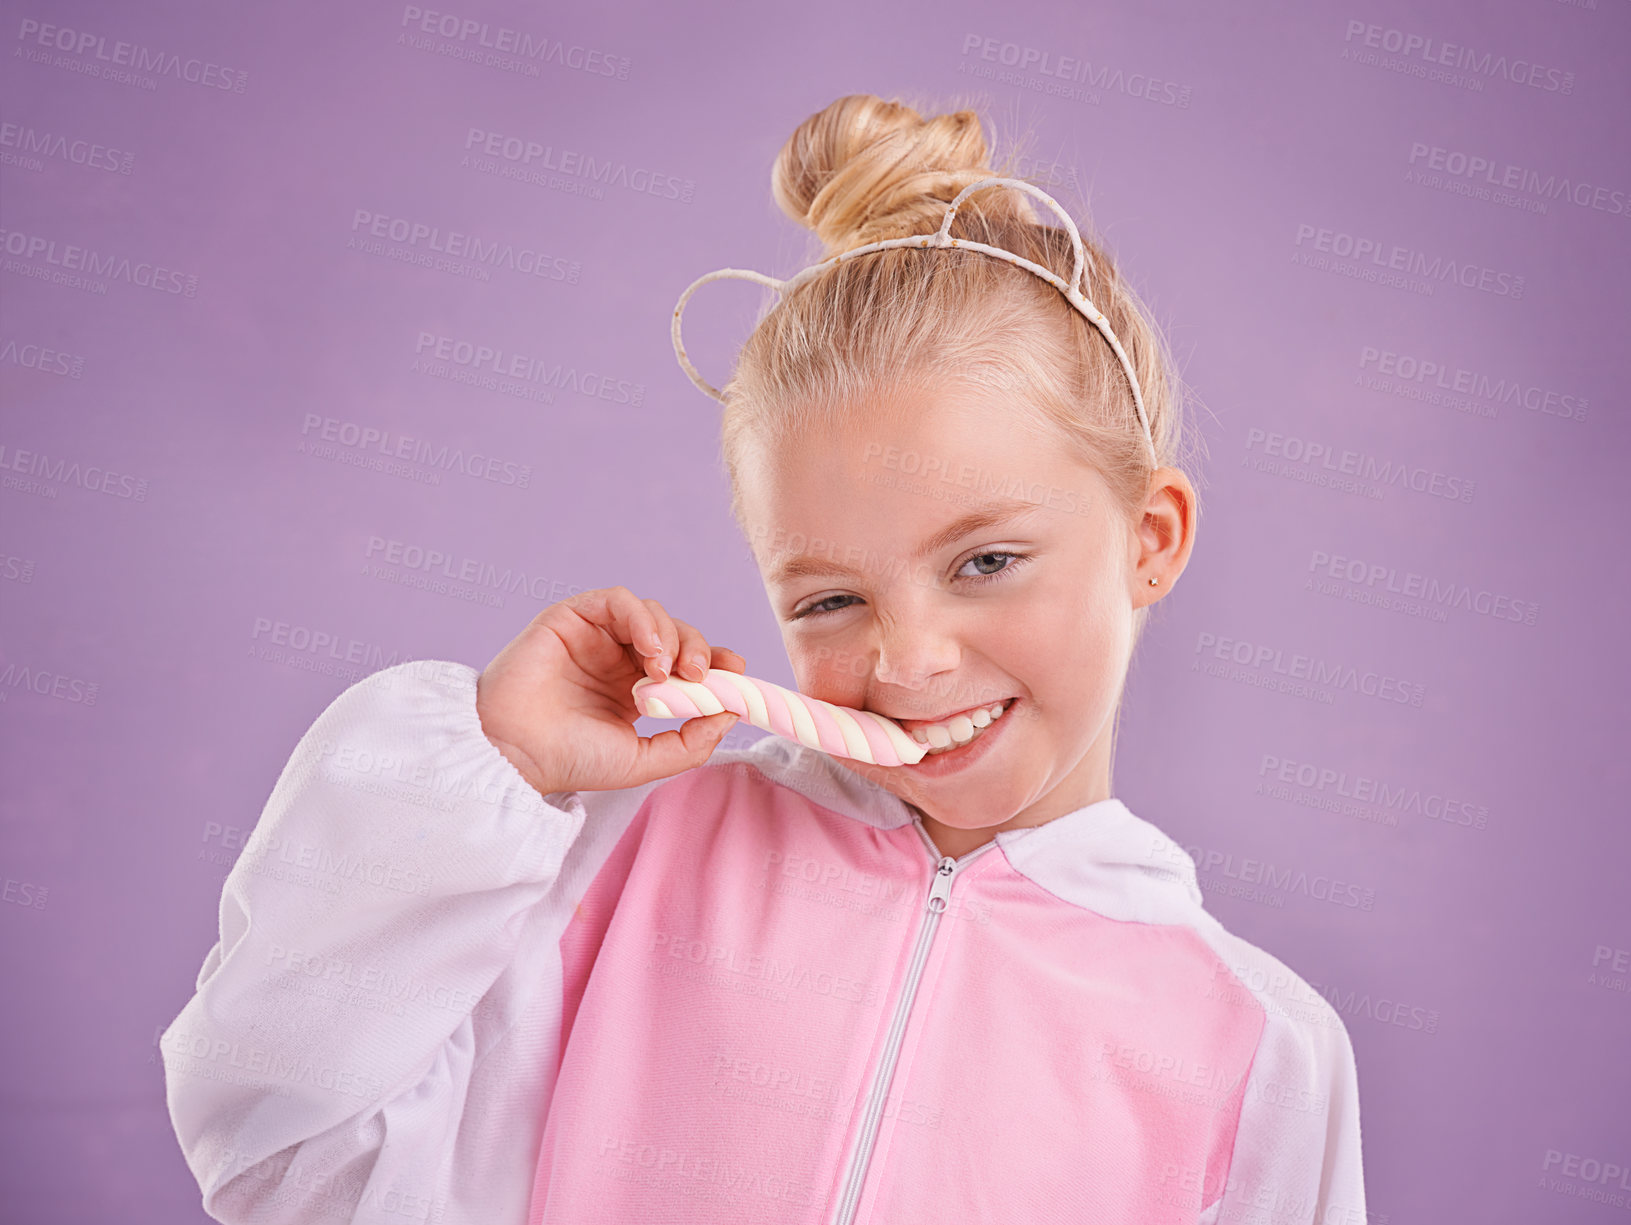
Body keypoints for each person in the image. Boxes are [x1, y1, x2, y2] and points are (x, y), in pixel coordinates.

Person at [161, 92, 1367, 1225]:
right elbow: (286, 1151)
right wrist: (500, 764)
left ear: (1148, 540)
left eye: (985, 561)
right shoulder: (624, 861)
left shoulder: (1255, 1053)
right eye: (833, 596)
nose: (907, 661)